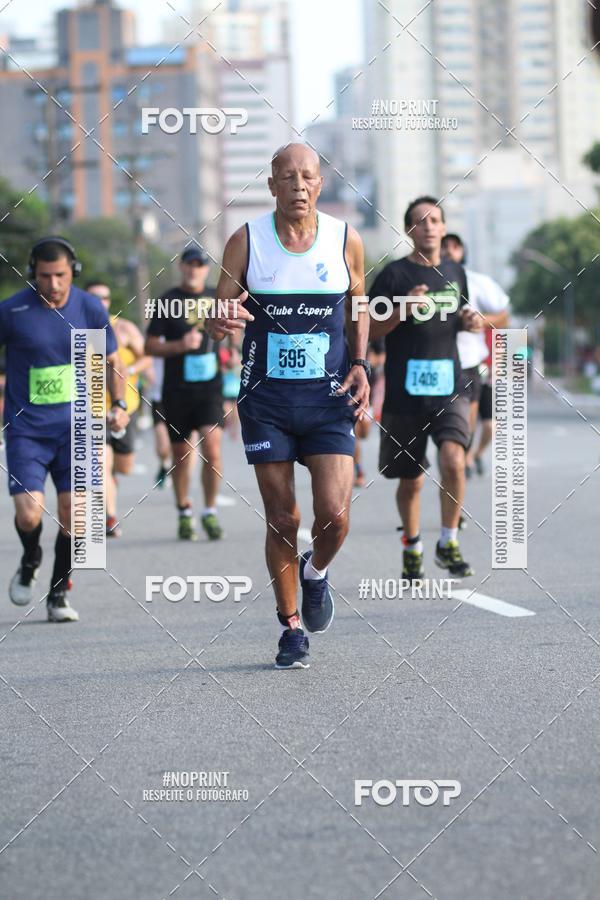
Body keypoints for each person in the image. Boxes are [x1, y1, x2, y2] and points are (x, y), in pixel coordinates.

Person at [207, 142, 370, 670]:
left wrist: (363, 363)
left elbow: (359, 306)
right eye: (287, 177)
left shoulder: (346, 238)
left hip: (328, 399)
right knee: (283, 516)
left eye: (308, 176)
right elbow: (218, 313)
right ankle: (291, 627)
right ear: (271, 184)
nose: (298, 186)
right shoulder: (245, 241)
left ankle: (316, 572)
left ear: (320, 184)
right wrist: (218, 323)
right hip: (267, 400)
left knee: (335, 516)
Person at [1, 237, 127, 621]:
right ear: (31, 273)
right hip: (27, 430)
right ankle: (30, 558)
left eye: (60, 275)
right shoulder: (12, 311)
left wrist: (118, 404)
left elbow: (110, 359)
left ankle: (58, 593)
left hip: (79, 428)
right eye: (44, 276)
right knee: (29, 514)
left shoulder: (89, 307)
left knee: (75, 514)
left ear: (73, 271)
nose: (53, 284)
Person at [369, 197, 482, 582]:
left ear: (443, 226)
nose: (430, 227)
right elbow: (368, 327)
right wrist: (402, 308)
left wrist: (469, 321)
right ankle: (412, 543)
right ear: (410, 230)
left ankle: (448, 540)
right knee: (411, 479)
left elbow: (459, 317)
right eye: (422, 221)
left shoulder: (456, 272)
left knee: (453, 459)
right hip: (405, 393)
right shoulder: (393, 275)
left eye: (436, 220)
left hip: (450, 385)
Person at [145, 246, 225, 541]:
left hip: (210, 388)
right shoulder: (166, 302)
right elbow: (149, 346)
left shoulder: (218, 297)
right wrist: (180, 345)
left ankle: (211, 511)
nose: (194, 270)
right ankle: (183, 511)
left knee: (213, 451)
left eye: (199, 265)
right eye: (189, 265)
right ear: (181, 267)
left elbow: (233, 332)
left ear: (206, 269)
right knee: (182, 454)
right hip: (177, 389)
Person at [86, 281, 152, 537]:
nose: (100, 303)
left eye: (104, 298)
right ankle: (109, 517)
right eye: (94, 298)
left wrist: (128, 371)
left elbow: (147, 355)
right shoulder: (74, 329)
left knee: (123, 466)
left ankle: (110, 483)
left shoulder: (122, 328)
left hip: (126, 407)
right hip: (92, 408)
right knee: (102, 460)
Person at [441, 233, 510, 477]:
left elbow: (503, 317)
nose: (449, 250)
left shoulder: (478, 282)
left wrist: (482, 320)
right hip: (433, 363)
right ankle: (456, 462)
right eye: (444, 246)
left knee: (466, 427)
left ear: (463, 252)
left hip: (469, 363)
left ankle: (465, 459)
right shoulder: (423, 280)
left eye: (455, 246)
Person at [353, 338, 385, 487]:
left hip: (368, 396)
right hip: (349, 392)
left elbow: (383, 356)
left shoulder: (375, 334)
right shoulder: (345, 330)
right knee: (354, 434)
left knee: (364, 433)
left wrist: (373, 361)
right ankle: (359, 470)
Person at [147, 354, 172, 487]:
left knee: (186, 444)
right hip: (159, 397)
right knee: (162, 445)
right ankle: (165, 464)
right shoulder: (156, 336)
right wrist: (147, 370)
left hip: (182, 396)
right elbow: (146, 356)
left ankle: (181, 477)